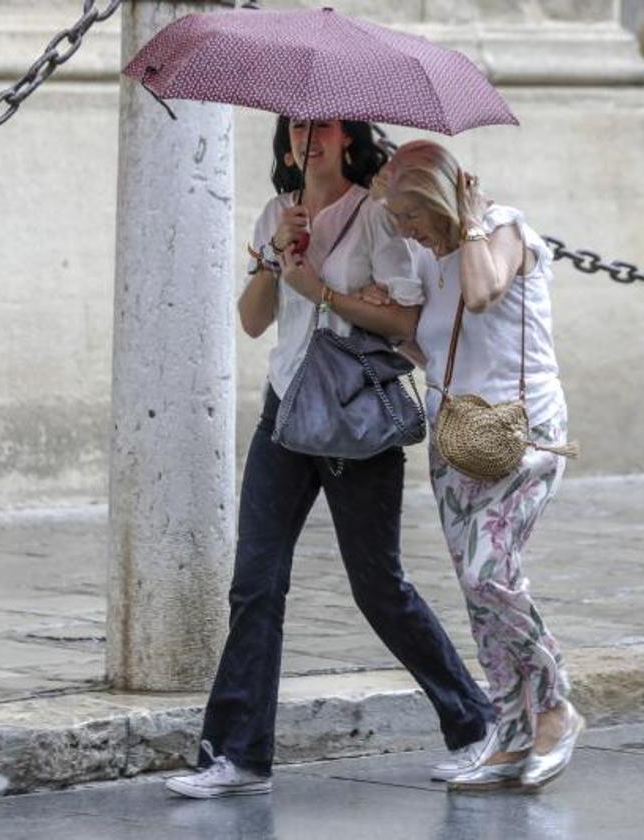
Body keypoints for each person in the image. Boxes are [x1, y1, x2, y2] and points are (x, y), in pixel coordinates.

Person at [164, 119, 495, 800]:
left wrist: (321, 289)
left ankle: (476, 723)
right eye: (297, 128)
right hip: (284, 412)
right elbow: (254, 321)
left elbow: (405, 323)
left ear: (347, 138)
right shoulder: (275, 213)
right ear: (286, 141)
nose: (308, 139)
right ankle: (237, 755)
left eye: (322, 128)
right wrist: (274, 257)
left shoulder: (374, 215)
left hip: (352, 414)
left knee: (379, 586)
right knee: (255, 583)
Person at [363, 139, 584, 791]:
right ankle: (512, 734)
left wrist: (473, 221)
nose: (407, 232)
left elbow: (485, 292)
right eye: (398, 221)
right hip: (456, 435)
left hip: (522, 431)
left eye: (412, 217)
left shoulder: (506, 230)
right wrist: (393, 326)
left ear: (438, 199)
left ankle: (556, 707)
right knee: (479, 590)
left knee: (492, 574)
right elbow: (439, 350)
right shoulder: (429, 263)